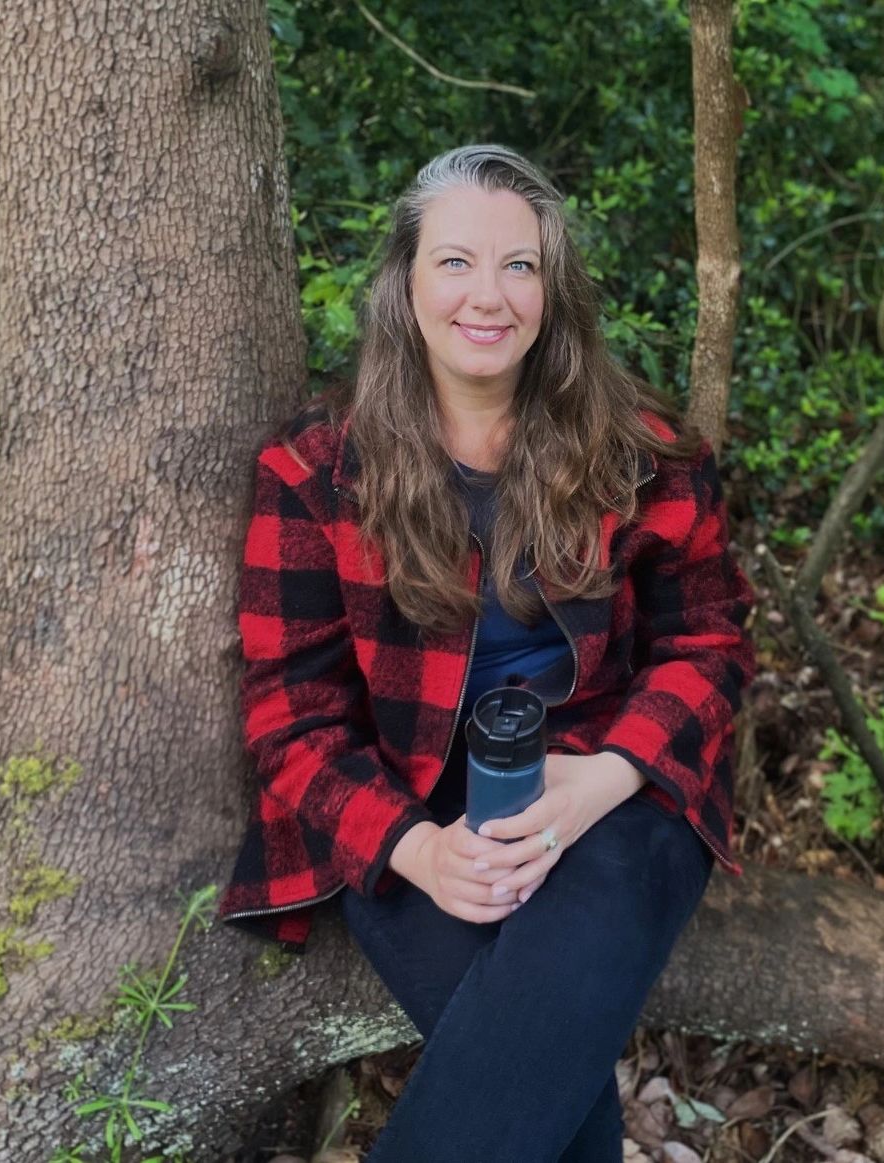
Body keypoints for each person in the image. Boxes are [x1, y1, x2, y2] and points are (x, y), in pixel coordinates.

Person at [216, 143, 756, 1162]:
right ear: (403, 285)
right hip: (409, 794)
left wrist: (599, 780)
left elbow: (711, 641)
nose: (489, 295)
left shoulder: (640, 452)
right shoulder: (314, 469)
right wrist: (417, 849)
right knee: (556, 1104)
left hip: (615, 785)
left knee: (542, 1035)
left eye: (519, 266)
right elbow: (291, 713)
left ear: (552, 293)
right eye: (455, 262)